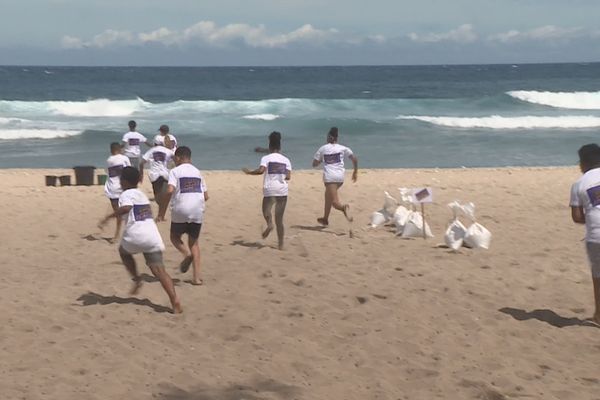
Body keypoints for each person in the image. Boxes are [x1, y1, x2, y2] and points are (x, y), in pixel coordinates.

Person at [99, 167, 182, 314]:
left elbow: (126, 208)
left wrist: (108, 217)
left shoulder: (126, 194)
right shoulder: (142, 195)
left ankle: (137, 279)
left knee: (123, 252)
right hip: (152, 236)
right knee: (160, 271)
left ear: (123, 181)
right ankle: (174, 300)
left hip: (135, 235)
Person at [158, 146, 208, 286]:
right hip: (197, 210)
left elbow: (169, 191)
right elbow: (206, 196)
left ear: (178, 157)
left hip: (181, 209)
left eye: (175, 158)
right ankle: (196, 278)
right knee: (194, 243)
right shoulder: (198, 172)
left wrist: (162, 211)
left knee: (174, 237)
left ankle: (186, 254)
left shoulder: (175, 171)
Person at [243, 131, 291, 250]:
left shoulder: (266, 158)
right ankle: (281, 245)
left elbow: (260, 171)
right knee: (279, 220)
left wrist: (249, 172)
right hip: (282, 191)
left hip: (270, 190)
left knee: (266, 211)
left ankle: (269, 224)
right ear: (280, 146)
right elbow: (288, 176)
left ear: (269, 145)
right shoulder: (286, 160)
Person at [570, 143, 600, 324]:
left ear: (583, 163)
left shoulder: (579, 184)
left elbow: (576, 217)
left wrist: (591, 218)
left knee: (598, 276)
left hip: (596, 237)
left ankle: (599, 315)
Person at [312, 127, 358, 226]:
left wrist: (321, 160)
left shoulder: (323, 148)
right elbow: (354, 159)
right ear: (337, 138)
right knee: (327, 197)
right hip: (340, 177)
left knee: (334, 202)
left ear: (329, 137)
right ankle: (325, 219)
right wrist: (355, 172)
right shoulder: (342, 148)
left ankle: (343, 208)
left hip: (330, 178)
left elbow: (314, 164)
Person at [104, 142, 131, 241]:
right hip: (123, 188)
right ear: (119, 149)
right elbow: (129, 170)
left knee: (117, 212)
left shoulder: (109, 160)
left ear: (111, 150)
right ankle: (125, 233)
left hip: (112, 188)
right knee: (127, 211)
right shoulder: (124, 158)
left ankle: (116, 235)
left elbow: (107, 172)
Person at [139, 141, 175, 206]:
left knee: (157, 194)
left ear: (155, 144)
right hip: (165, 173)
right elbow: (176, 159)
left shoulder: (151, 150)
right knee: (164, 193)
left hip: (154, 174)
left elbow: (141, 163)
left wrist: (141, 174)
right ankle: (163, 205)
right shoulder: (168, 151)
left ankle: (160, 205)